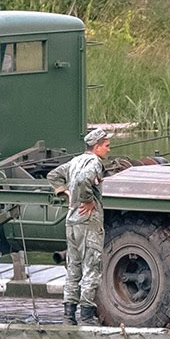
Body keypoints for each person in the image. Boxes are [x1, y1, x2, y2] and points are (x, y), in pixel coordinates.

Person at [49, 127, 112, 325]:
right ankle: (86, 315)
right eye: (106, 146)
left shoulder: (75, 161)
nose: (109, 150)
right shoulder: (94, 162)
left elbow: (53, 175)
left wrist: (65, 192)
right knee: (92, 266)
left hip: (72, 220)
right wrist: (87, 199)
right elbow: (85, 179)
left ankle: (68, 315)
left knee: (73, 268)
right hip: (88, 221)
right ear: (97, 147)